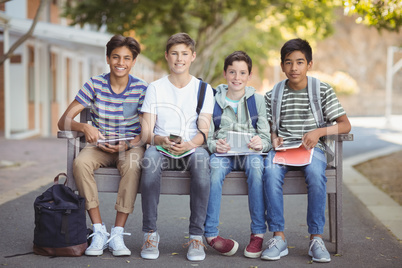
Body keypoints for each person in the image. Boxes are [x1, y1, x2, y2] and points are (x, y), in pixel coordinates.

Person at [261, 38, 351, 263]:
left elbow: (345, 124)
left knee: (315, 174)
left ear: (309, 64)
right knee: (269, 172)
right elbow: (268, 127)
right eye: (289, 63)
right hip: (283, 150)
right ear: (282, 65)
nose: (294, 68)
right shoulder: (274, 94)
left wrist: (319, 132)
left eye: (300, 62)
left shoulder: (320, 89)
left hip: (313, 150)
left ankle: (316, 238)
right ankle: (278, 237)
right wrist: (274, 137)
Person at [57, 35, 147, 257]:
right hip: (99, 145)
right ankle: (98, 230)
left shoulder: (142, 89)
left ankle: (117, 233)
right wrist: (84, 127)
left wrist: (126, 144)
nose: (120, 62)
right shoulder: (94, 84)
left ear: (133, 61)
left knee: (134, 166)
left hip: (130, 146)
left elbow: (146, 132)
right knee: (80, 164)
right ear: (108, 58)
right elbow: (63, 121)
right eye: (116, 57)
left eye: (127, 58)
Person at [139, 33, 214, 261]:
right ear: (166, 56)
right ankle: (150, 234)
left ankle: (195, 237)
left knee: (202, 165)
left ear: (192, 56)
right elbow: (146, 133)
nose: (179, 59)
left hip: (192, 148)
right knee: (150, 162)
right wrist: (161, 140)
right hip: (161, 147)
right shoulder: (155, 88)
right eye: (174, 53)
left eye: (184, 54)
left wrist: (188, 144)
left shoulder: (203, 89)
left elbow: (204, 132)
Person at [204, 51, 271, 258]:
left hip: (250, 153)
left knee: (257, 167)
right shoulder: (213, 100)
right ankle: (211, 233)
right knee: (213, 170)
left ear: (249, 75)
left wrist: (261, 144)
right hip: (224, 155)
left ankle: (258, 234)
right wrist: (216, 146)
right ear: (225, 73)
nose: (237, 77)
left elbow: (266, 137)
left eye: (242, 73)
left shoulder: (257, 101)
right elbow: (207, 136)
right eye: (232, 72)